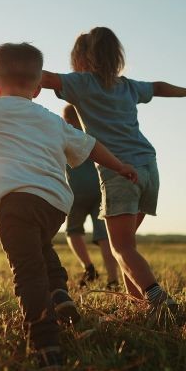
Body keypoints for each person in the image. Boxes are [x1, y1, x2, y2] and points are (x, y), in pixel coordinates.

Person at [0, 28, 186, 319]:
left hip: (120, 171)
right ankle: (137, 307)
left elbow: (39, 77)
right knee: (127, 247)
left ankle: (158, 299)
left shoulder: (82, 83)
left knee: (122, 248)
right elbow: (160, 86)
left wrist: (0, 75)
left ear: (80, 57)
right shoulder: (128, 86)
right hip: (149, 167)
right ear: (117, 56)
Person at [0, 43, 138, 370]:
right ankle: (60, 294)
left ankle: (45, 342)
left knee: (27, 271)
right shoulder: (50, 119)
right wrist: (120, 166)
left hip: (12, 203)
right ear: (38, 88)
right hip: (54, 204)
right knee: (39, 247)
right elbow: (91, 145)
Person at [63, 104, 119, 290]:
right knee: (105, 236)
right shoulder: (94, 133)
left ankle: (89, 268)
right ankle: (112, 279)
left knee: (73, 231)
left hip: (75, 193)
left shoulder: (65, 136)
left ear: (67, 120)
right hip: (100, 190)